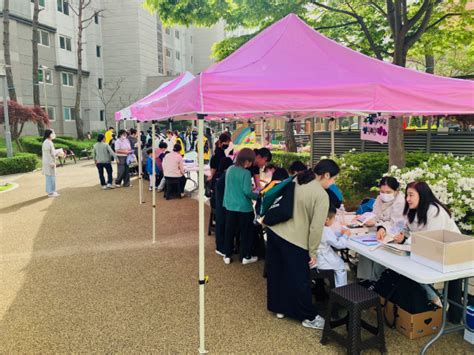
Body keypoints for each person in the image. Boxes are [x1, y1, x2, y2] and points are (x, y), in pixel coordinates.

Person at [266, 159, 337, 329]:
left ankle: (279, 308)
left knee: (277, 273)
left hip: (274, 230)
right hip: (294, 239)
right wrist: (312, 251)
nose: (334, 182)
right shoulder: (321, 195)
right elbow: (316, 228)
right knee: (301, 279)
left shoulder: (299, 179)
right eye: (334, 179)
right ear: (326, 175)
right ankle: (308, 316)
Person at [376, 181, 460, 308]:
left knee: (411, 270)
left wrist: (407, 239)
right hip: (426, 251)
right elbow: (407, 230)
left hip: (449, 253)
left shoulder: (435, 211)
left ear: (422, 195)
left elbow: (430, 241)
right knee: (401, 267)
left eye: (411, 195)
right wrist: (402, 237)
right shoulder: (413, 209)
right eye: (406, 195)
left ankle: (435, 299)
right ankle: (431, 298)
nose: (407, 199)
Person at [357, 176, 405, 281]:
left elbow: (396, 224)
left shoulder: (401, 202)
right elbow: (375, 214)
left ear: (396, 191)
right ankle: (365, 281)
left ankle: (377, 282)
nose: (385, 194)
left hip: (393, 235)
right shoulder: (379, 198)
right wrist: (365, 218)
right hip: (377, 232)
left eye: (388, 192)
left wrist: (381, 226)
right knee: (364, 251)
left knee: (379, 255)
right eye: (382, 191)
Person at [223, 148, 259, 265]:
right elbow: (247, 192)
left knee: (229, 231)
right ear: (247, 161)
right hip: (244, 208)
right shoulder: (246, 173)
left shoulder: (230, 169)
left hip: (230, 206)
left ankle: (227, 255)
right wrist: (258, 196)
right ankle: (246, 256)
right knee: (246, 232)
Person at [316, 206, 351, 287]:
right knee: (341, 266)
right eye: (334, 218)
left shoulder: (315, 226)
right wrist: (346, 235)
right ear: (327, 220)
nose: (334, 220)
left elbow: (327, 238)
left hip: (315, 258)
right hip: (322, 261)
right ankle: (341, 290)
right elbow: (339, 245)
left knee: (338, 262)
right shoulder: (325, 230)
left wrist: (338, 235)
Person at [214, 157, 234, 256]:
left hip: (217, 202)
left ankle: (222, 246)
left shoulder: (218, 175)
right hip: (223, 203)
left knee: (221, 223)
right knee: (223, 223)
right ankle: (222, 247)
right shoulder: (227, 176)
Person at [42, 129, 60, 197]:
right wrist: (58, 152)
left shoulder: (49, 142)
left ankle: (52, 191)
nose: (53, 135)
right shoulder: (47, 142)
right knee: (50, 178)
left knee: (51, 177)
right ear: (49, 134)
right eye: (52, 133)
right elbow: (49, 154)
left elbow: (52, 152)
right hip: (49, 163)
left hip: (50, 162)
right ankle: (50, 192)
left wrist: (57, 152)